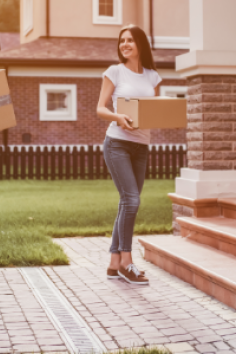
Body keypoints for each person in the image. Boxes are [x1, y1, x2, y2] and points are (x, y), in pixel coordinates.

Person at [96, 25, 161, 285]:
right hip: (118, 143)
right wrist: (118, 116)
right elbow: (100, 108)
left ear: (140, 45)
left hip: (141, 146)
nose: (125, 44)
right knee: (131, 201)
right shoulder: (115, 72)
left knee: (128, 202)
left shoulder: (153, 77)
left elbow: (153, 111)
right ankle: (126, 261)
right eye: (122, 40)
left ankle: (113, 263)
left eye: (130, 40)